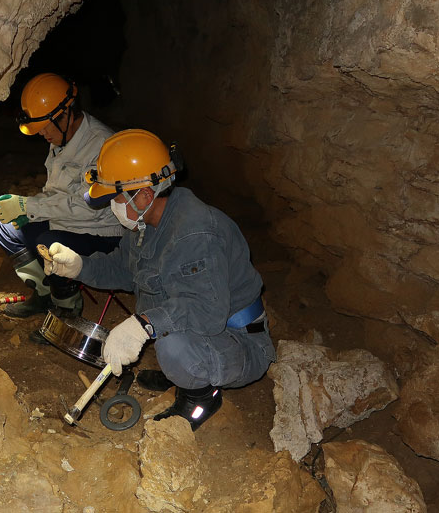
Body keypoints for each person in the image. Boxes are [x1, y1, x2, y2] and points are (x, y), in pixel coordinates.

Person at [42, 129, 276, 430]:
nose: (112, 205)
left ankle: (200, 398)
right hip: (205, 328)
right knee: (165, 333)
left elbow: (207, 313)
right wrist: (78, 267)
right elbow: (123, 270)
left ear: (143, 194)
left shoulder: (195, 233)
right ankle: (178, 374)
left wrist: (143, 325)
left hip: (238, 340)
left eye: (115, 196)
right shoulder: (148, 222)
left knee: (174, 349)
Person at [0, 73, 122, 323]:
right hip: (67, 221)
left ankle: (66, 306)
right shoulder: (62, 135)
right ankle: (44, 292)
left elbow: (88, 207)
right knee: (3, 224)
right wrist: (23, 208)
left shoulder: (102, 146)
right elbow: (57, 195)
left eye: (43, 127)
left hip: (101, 231)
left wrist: (27, 206)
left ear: (65, 114)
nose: (41, 135)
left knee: (49, 243)